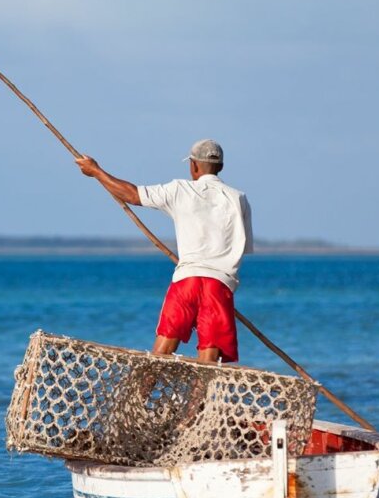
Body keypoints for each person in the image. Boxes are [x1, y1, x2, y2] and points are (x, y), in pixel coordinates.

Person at [75, 139, 252, 363]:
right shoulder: (239, 199)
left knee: (160, 354)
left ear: (194, 166)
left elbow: (132, 194)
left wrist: (96, 171)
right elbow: (240, 247)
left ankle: (139, 397)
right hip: (220, 284)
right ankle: (199, 400)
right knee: (209, 363)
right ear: (221, 167)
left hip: (186, 281)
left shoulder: (179, 189)